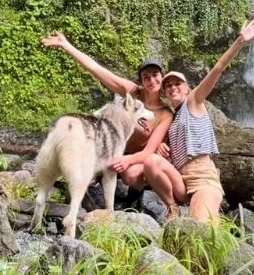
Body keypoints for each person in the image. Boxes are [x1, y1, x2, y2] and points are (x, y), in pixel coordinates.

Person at [142, 18, 254, 223]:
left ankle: (214, 214)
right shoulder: (172, 116)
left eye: (177, 83)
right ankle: (173, 207)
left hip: (203, 176)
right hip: (180, 180)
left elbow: (217, 69)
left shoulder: (194, 101)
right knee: (151, 161)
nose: (172, 87)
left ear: (188, 88)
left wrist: (240, 41)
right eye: (168, 86)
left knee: (199, 228)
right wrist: (161, 144)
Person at [41, 33, 174, 191]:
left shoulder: (165, 114)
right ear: (141, 81)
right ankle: (84, 187)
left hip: (137, 160)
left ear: (162, 76)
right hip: (113, 149)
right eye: (146, 77)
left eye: (155, 75)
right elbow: (97, 69)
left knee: (130, 174)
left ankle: (135, 196)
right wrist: (66, 45)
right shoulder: (132, 92)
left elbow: (148, 151)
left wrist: (126, 160)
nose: (152, 81)